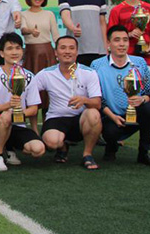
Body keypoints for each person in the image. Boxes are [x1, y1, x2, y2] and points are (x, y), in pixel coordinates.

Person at [91, 25, 150, 167]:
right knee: (110, 132)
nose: (121, 44)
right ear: (108, 43)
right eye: (117, 40)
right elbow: (96, 96)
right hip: (110, 115)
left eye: (125, 40)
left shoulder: (140, 62)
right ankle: (111, 148)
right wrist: (112, 116)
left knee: (149, 110)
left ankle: (144, 153)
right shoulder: (97, 65)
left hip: (135, 112)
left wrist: (142, 99)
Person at [35, 35, 103, 170]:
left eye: (71, 48)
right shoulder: (46, 74)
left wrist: (84, 100)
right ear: (56, 52)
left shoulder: (89, 73)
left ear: (77, 52)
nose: (67, 51)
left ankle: (87, 154)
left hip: (80, 119)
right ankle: (62, 147)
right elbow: (29, 92)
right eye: (63, 48)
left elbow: (97, 103)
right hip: (56, 117)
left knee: (94, 114)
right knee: (51, 142)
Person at [0, 33, 46, 172]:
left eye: (18, 48)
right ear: (2, 53)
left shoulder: (29, 76)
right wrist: (9, 106)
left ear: (22, 51)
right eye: (9, 48)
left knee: (38, 149)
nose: (14, 52)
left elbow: (33, 109)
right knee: (6, 116)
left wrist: (18, 114)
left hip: (18, 123)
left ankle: (10, 147)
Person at [107, 0, 150, 86]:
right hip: (126, 58)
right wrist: (129, 34)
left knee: (148, 91)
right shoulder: (116, 10)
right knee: (127, 90)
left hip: (146, 58)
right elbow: (112, 34)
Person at [19, 0, 59, 125]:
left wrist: (59, 50)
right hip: (32, 54)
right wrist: (31, 31)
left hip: (48, 54)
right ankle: (34, 128)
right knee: (32, 90)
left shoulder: (49, 14)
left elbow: (56, 35)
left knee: (48, 90)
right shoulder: (23, 14)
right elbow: (23, 29)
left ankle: (49, 125)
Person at [58, 0, 108, 66]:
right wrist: (73, 28)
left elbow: (102, 23)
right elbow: (65, 16)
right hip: (76, 50)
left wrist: (105, 46)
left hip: (98, 50)